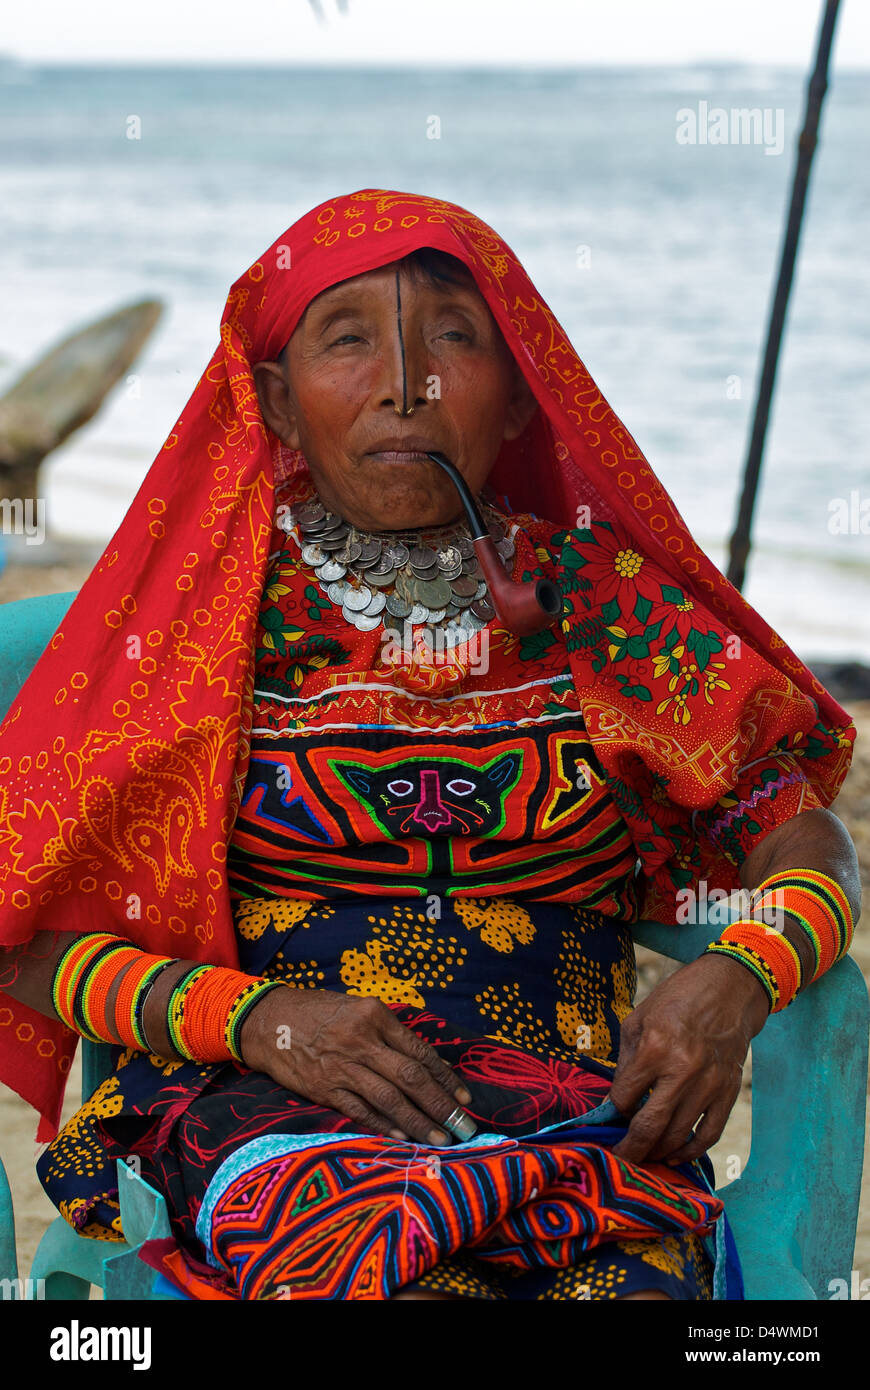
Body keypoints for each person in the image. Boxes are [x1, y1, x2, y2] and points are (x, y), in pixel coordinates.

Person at [0, 189, 859, 1302]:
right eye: (347, 340)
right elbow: (27, 931)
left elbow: (806, 842)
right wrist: (251, 1017)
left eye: (454, 335)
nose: (409, 381)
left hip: (575, 1125)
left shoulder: (597, 604)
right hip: (270, 1119)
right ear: (276, 401)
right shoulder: (199, 623)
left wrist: (738, 977)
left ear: (514, 397)